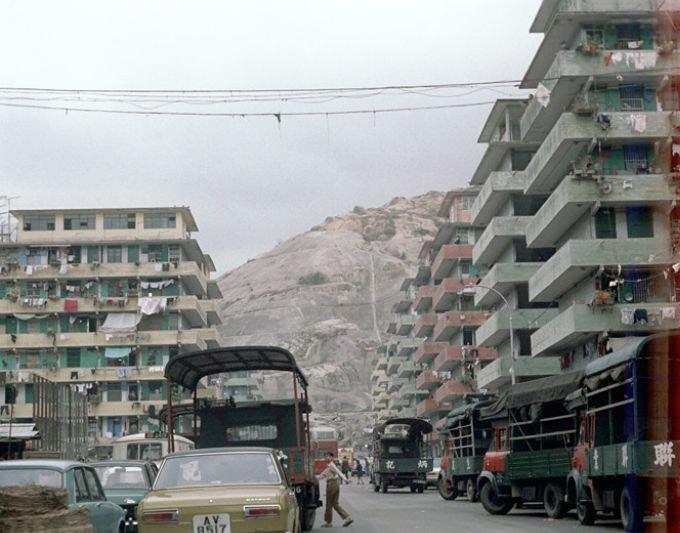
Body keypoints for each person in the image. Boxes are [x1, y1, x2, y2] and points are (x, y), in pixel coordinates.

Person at [317, 452, 353, 528]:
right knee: (335, 504)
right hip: (335, 485)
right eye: (325, 457)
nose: (326, 458)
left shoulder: (331, 466)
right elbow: (322, 475)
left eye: (328, 457)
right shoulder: (328, 467)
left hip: (331, 485)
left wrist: (345, 480)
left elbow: (339, 472)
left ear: (332, 458)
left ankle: (328, 522)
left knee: (328, 505)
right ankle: (347, 518)